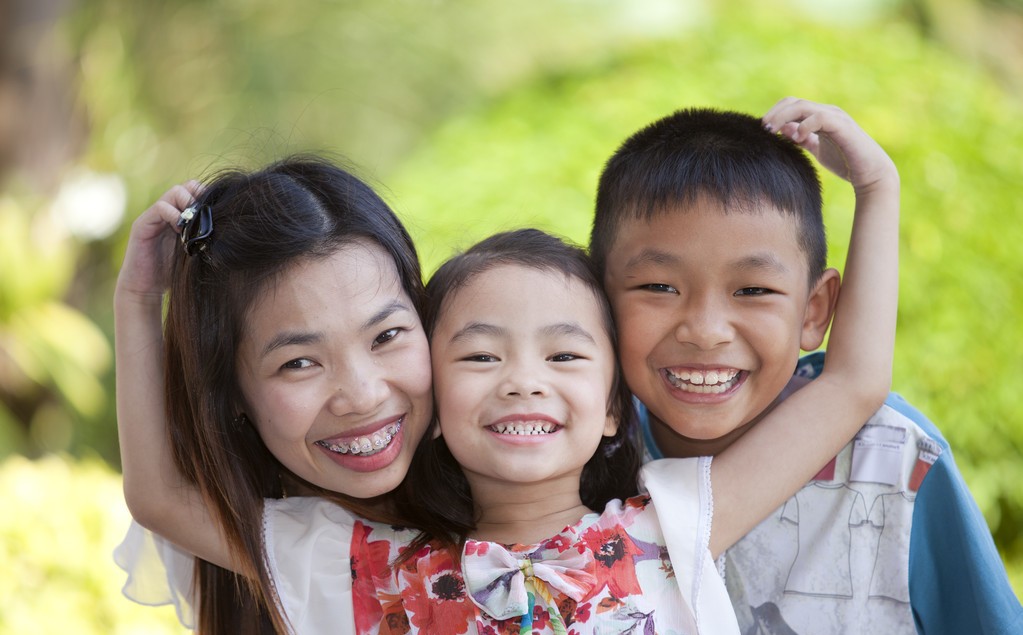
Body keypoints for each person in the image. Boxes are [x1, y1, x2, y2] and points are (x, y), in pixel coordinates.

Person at [118, 97, 897, 634]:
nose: (523, 379)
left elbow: (852, 383)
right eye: (482, 355)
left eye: (563, 354)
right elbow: (159, 496)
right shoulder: (365, 567)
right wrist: (137, 299)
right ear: (434, 396)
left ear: (612, 406)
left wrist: (875, 186)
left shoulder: (674, 522)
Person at [590, 97, 1023, 634]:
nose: (704, 330)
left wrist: (877, 188)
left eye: (752, 290)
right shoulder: (573, 459)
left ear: (814, 311)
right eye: (658, 287)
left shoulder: (894, 461)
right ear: (597, 300)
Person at [114, 155, 435, 633]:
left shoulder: (537, 488)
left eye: (386, 336)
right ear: (235, 396)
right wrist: (138, 298)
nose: (362, 396)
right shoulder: (336, 558)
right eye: (299, 363)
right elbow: (158, 498)